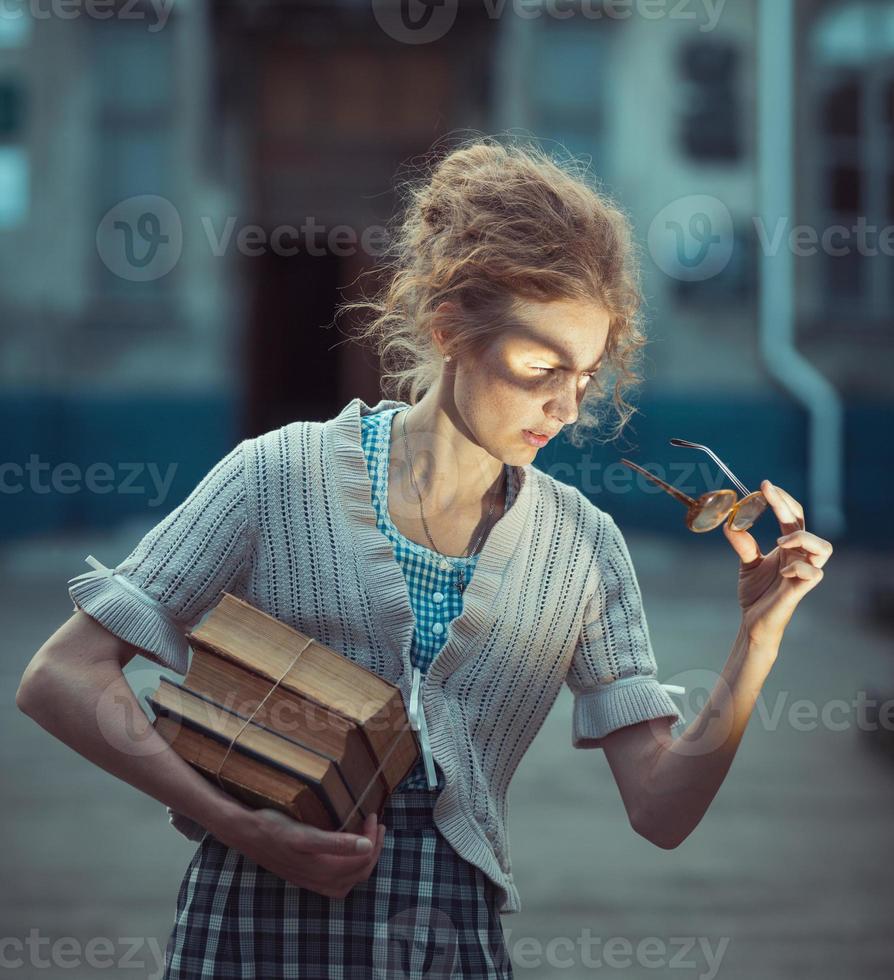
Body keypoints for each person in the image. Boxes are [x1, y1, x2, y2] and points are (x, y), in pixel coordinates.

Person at [15, 136, 833, 979]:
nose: (563, 404)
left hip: (451, 950)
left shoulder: (583, 548)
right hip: (250, 933)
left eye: (585, 376)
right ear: (450, 331)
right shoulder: (279, 474)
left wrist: (757, 640)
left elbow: (662, 810)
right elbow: (62, 677)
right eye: (538, 366)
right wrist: (245, 827)